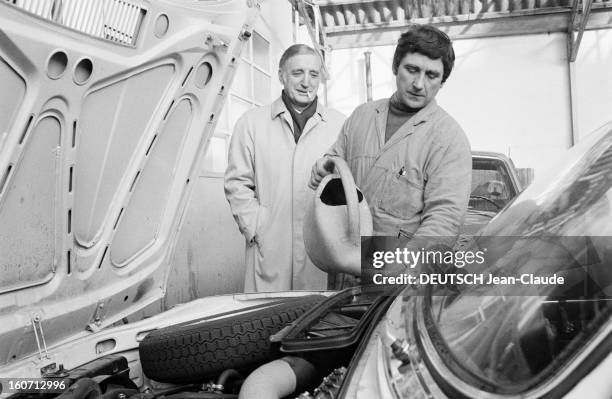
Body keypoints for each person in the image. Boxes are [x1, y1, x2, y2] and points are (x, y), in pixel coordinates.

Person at [309, 25, 472, 283]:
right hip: (343, 271)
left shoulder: (448, 138)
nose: (419, 84)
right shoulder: (361, 116)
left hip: (397, 283)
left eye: (431, 75)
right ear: (396, 66)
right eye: (412, 70)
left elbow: (444, 220)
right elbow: (333, 165)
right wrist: (321, 170)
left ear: (443, 81)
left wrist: (400, 270)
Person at [225, 44, 346, 293]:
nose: (306, 82)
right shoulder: (251, 123)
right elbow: (237, 183)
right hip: (270, 246)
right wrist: (257, 225)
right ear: (281, 75)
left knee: (316, 323)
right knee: (269, 321)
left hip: (321, 249)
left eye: (314, 74)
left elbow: (349, 185)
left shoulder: (339, 125)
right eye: (297, 73)